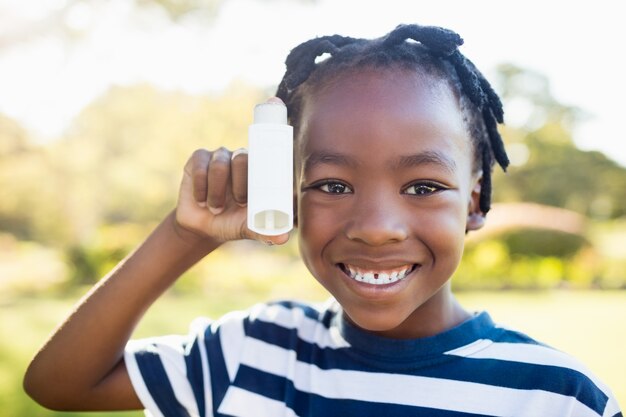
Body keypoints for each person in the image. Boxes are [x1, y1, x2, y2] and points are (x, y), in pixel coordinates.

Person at [24, 24, 622, 417]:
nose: (376, 226)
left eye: (423, 186)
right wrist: (184, 236)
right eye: (333, 185)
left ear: (474, 200)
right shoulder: (252, 353)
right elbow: (58, 385)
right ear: (291, 194)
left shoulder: (553, 396)